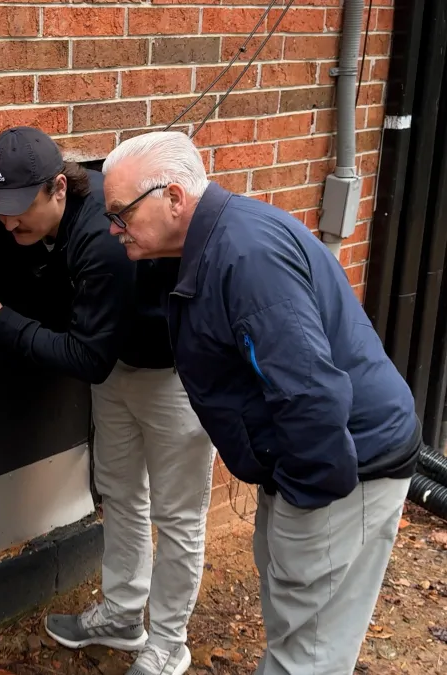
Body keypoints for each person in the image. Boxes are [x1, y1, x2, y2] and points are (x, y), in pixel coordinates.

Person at [100, 130, 422, 675]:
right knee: (294, 619)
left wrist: (303, 500)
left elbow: (312, 394)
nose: (113, 228)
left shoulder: (245, 258)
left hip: (346, 468)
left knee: (310, 652)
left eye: (121, 212)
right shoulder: (220, 240)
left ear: (173, 198)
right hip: (314, 464)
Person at [0, 127, 215, 675]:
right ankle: (122, 612)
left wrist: (2, 322)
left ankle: (168, 641)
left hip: (173, 376)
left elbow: (87, 358)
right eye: (0, 209)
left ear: (59, 188)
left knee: (178, 513)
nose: (9, 222)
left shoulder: (100, 241)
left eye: (20, 208)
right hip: (119, 370)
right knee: (121, 492)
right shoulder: (54, 227)